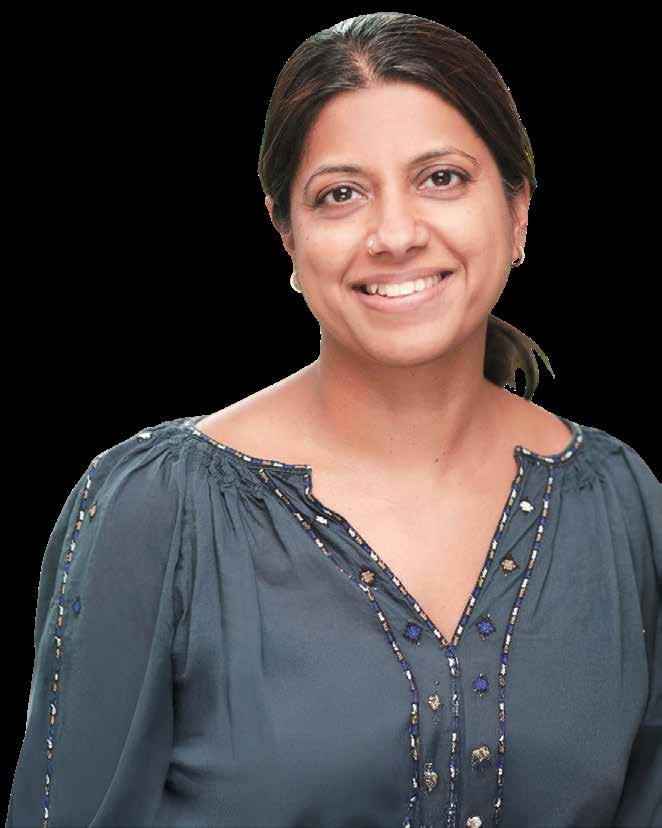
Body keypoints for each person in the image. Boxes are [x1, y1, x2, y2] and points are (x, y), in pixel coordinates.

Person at [6, 13, 660, 828]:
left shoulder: (623, 507)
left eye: (442, 178)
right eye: (341, 194)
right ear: (287, 233)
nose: (395, 235)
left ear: (518, 208)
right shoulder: (155, 511)